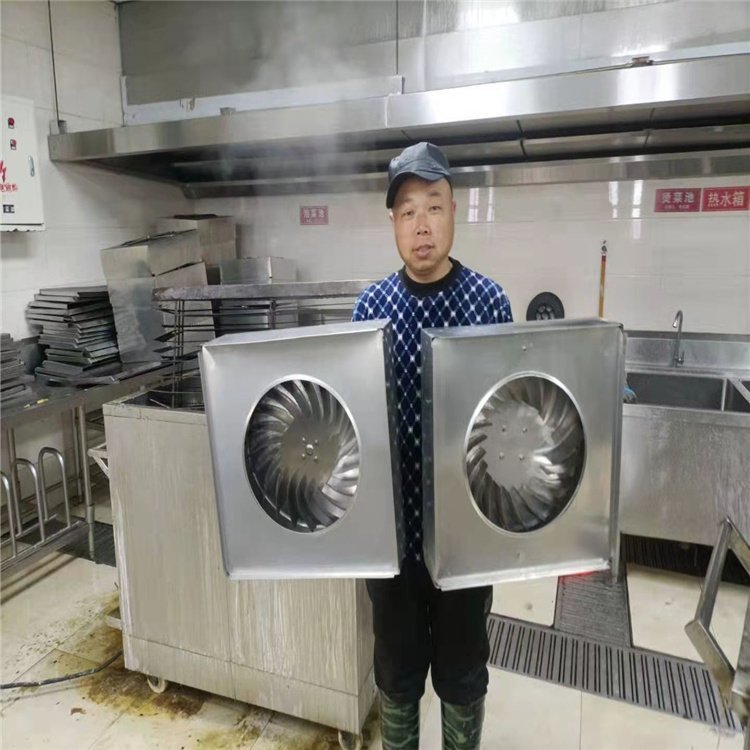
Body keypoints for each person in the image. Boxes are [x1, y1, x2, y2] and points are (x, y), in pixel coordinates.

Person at [351, 142, 513, 750]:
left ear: (454, 212)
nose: (422, 225)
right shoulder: (372, 308)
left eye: (434, 207)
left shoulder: (489, 303)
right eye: (408, 211)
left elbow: (506, 416)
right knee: (395, 675)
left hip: (467, 537)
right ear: (394, 222)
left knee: (463, 673)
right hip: (391, 541)